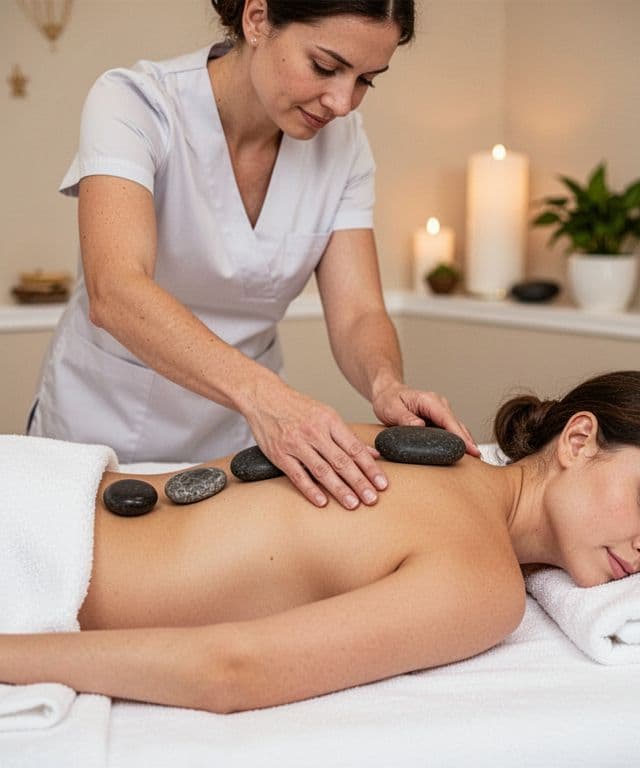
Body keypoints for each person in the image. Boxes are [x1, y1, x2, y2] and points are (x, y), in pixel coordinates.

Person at [27, 0, 479, 513]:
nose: (342, 103)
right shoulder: (135, 104)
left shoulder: (344, 144)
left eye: (365, 81)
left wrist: (385, 383)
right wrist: (268, 398)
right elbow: (116, 290)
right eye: (325, 67)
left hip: (235, 441)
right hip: (99, 430)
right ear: (258, 18)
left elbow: (359, 312)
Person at [0, 371, 640, 713]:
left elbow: (233, 666)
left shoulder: (433, 455)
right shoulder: (482, 582)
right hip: (34, 554)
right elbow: (229, 674)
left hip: (36, 485)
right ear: (578, 440)